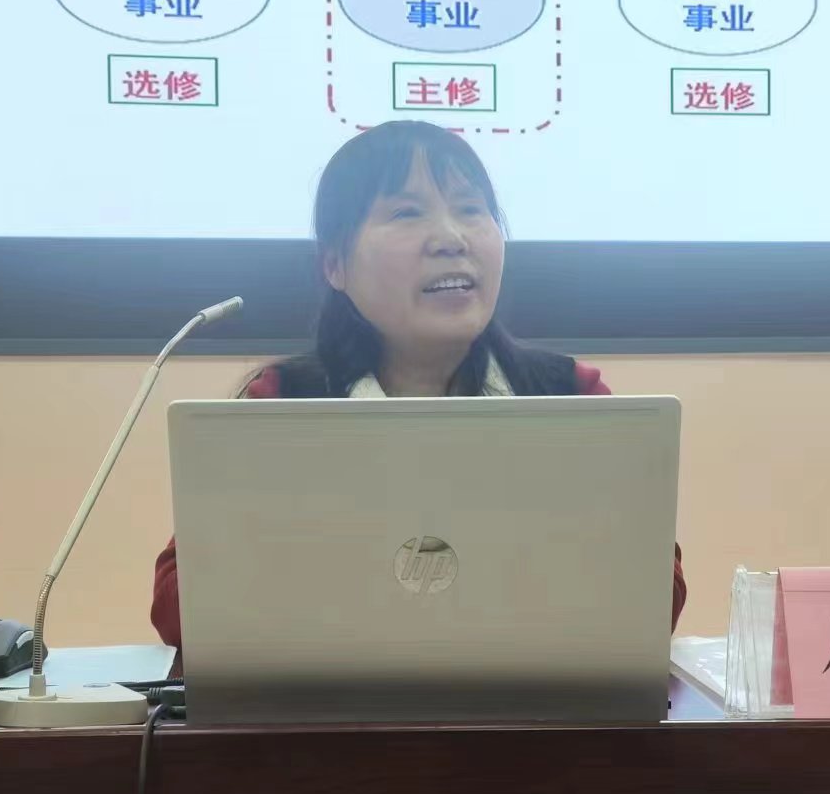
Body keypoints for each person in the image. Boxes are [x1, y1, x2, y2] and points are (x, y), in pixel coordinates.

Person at [150, 120, 686, 647]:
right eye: (407, 213)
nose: (451, 238)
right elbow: (180, 608)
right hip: (338, 698)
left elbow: (656, 594)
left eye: (471, 209)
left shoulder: (570, 395)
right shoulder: (281, 403)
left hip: (528, 697)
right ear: (335, 264)